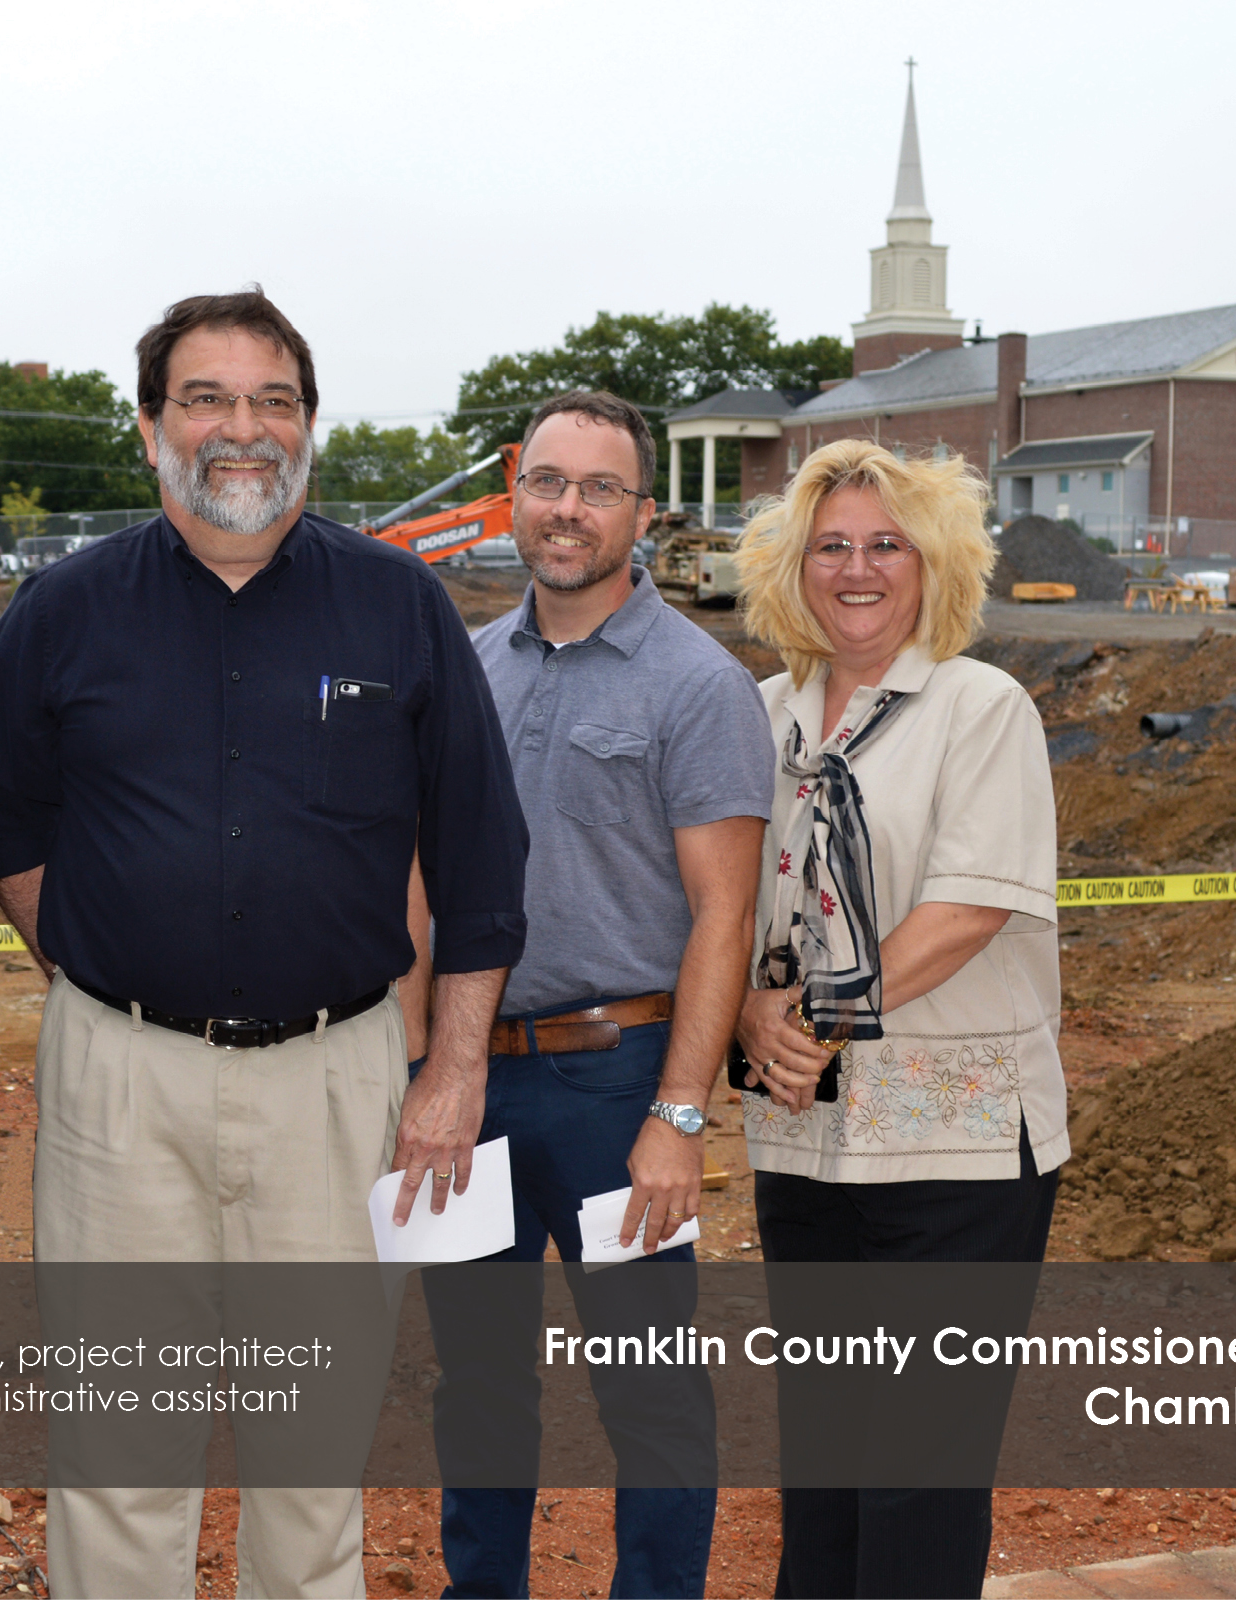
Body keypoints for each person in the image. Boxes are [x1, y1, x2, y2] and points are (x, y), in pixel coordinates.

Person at [0, 287, 529, 1599]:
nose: (242, 430)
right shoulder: (60, 616)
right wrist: (112, 982)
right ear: (151, 424)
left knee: (312, 1460)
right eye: (207, 399)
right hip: (117, 1084)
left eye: (272, 401)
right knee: (116, 1461)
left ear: (310, 426)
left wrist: (448, 1075)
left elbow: (480, 863)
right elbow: (9, 830)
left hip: (336, 1084)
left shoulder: (399, 610)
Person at [421, 391, 767, 1598]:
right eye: (551, 482)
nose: (570, 509)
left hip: (615, 1083)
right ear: (516, 491)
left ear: (643, 513)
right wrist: (426, 1067)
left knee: (648, 1388)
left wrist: (678, 1118)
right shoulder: (465, 670)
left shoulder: (698, 684)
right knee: (476, 1385)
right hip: (473, 1079)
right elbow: (428, 884)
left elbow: (726, 914)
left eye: (599, 488)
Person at [727, 438, 1067, 1599]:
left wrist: (809, 1016)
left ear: (933, 566)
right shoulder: (759, 716)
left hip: (956, 1148)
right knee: (823, 1451)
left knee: (918, 1465)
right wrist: (742, 1008)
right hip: (809, 1138)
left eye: (887, 545)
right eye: (832, 546)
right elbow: (722, 902)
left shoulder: (982, 707)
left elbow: (968, 907)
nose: (858, 568)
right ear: (793, 565)